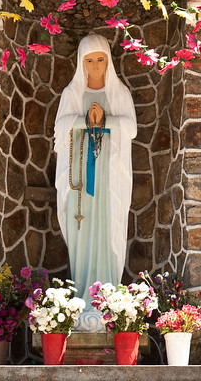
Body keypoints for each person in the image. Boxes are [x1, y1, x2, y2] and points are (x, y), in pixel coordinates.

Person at [54, 34, 136, 308]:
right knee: (81, 233)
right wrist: (85, 120)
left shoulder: (119, 93)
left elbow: (131, 128)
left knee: (109, 229)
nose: (96, 66)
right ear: (82, 63)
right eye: (90, 61)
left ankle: (109, 299)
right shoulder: (71, 94)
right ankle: (81, 299)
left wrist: (105, 121)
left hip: (109, 177)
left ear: (109, 61)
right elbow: (60, 128)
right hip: (79, 177)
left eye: (101, 59)